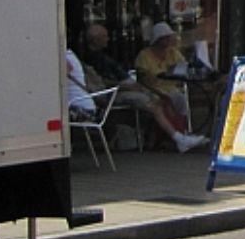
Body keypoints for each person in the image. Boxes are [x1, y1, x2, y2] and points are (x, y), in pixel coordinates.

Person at [76, 23, 204, 152]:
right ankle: (177, 138)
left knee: (164, 100)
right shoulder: (90, 60)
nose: (108, 39)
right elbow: (100, 83)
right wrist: (125, 86)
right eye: (105, 36)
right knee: (154, 104)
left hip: (133, 86)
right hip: (117, 91)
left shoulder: (104, 56)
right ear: (95, 39)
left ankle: (174, 136)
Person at [134, 22, 196, 140]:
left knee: (181, 99)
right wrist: (157, 91)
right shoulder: (144, 56)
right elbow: (142, 78)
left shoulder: (173, 53)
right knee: (166, 100)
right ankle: (172, 136)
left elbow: (183, 67)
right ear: (158, 39)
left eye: (169, 37)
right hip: (153, 89)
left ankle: (181, 131)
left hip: (173, 87)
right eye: (165, 38)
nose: (168, 40)